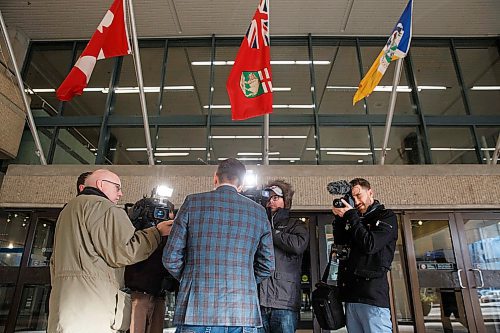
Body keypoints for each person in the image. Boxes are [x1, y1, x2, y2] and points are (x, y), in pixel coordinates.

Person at [48, 169, 173, 333]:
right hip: (93, 306)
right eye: (117, 187)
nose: (120, 194)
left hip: (65, 306)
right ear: (101, 184)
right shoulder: (104, 207)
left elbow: (54, 262)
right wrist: (157, 232)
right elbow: (125, 251)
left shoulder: (69, 209)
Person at [163, 158, 275, 333]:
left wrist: (191, 279)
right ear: (242, 183)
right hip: (242, 311)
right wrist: (244, 281)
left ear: (215, 178)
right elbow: (267, 265)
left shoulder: (193, 202)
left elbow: (170, 258)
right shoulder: (258, 212)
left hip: (196, 309)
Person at [331, 178, 398, 333]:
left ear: (370, 192)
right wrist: (340, 220)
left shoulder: (386, 216)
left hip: (372, 297)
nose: (356, 201)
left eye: (359, 195)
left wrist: (352, 216)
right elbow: (341, 244)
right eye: (352, 198)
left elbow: (370, 245)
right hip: (351, 296)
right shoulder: (353, 218)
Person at [258, 180, 309, 333]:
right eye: (268, 198)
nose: (270, 201)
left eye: (275, 198)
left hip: (284, 301)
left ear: (285, 201)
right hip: (258, 301)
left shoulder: (296, 224)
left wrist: (271, 232)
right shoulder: (259, 223)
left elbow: (298, 245)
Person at [125, 199, 177, 333]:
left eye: (167, 212)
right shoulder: (136, 235)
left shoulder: (170, 238)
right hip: (137, 295)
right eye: (159, 212)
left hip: (159, 296)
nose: (164, 217)